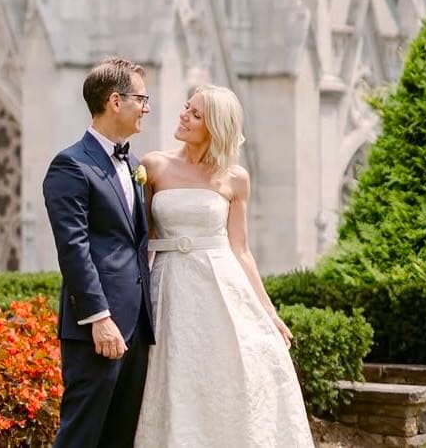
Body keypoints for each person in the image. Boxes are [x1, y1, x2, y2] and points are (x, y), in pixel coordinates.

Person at [134, 84, 314, 447]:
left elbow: (241, 249)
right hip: (170, 284)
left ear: (215, 126)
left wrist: (269, 311)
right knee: (174, 376)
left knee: (231, 370)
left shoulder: (235, 178)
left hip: (220, 285)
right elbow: (143, 242)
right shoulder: (153, 166)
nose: (183, 115)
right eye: (187, 107)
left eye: (196, 114)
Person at [42, 57, 155, 448]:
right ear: (114, 101)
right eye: (141, 97)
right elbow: (73, 249)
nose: (147, 107)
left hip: (137, 327)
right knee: (81, 436)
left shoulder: (136, 165)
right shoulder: (71, 165)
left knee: (119, 438)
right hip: (97, 328)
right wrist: (99, 318)